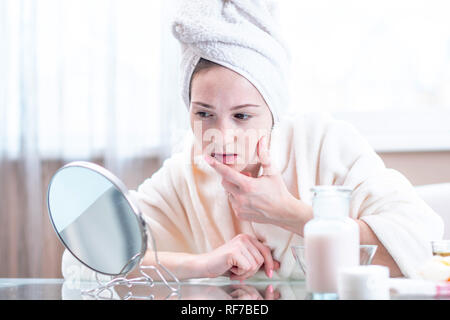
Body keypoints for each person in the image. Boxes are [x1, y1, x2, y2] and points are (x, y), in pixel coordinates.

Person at [62, 0, 444, 283]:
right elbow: (82, 257)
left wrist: (289, 213)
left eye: (243, 116)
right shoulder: (186, 172)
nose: (222, 136)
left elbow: (418, 245)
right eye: (203, 114)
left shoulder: (325, 144)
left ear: (273, 112)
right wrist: (202, 263)